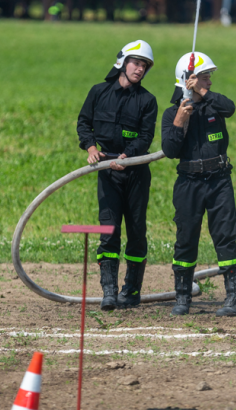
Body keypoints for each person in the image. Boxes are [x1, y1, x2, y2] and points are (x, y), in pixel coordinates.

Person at [76, 40, 158, 310]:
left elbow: (146, 136)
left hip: (135, 172)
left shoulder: (147, 101)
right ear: (122, 63)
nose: (140, 69)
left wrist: (128, 157)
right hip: (106, 172)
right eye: (136, 63)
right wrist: (90, 147)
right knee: (108, 231)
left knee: (136, 231)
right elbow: (84, 122)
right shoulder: (98, 92)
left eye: (144, 66)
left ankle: (131, 292)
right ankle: (109, 293)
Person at [161, 52, 236, 317]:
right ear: (187, 79)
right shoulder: (173, 113)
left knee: (225, 237)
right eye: (204, 76)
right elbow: (170, 150)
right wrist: (180, 120)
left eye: (208, 76)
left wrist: (203, 93)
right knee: (185, 239)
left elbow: (229, 107)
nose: (209, 80)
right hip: (189, 183)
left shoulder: (214, 107)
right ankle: (183, 297)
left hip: (219, 181)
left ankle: (234, 298)